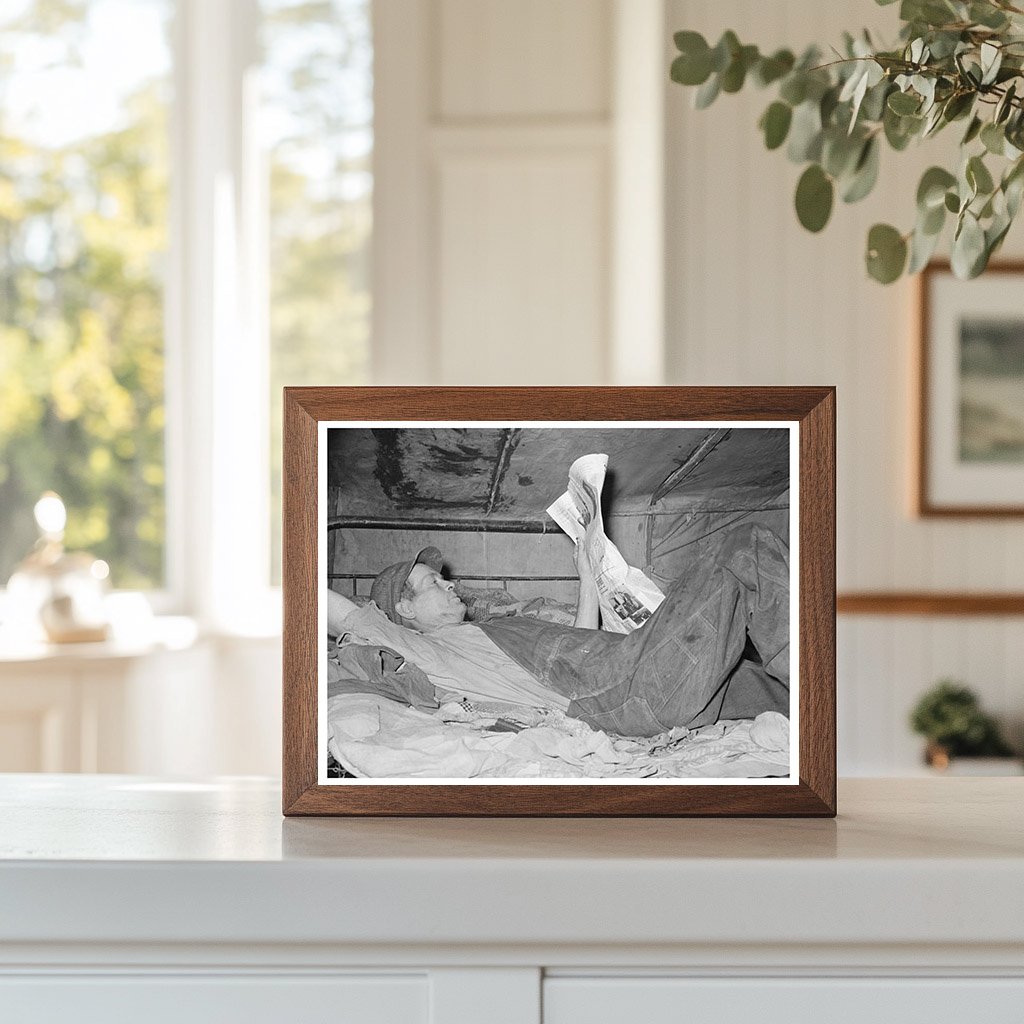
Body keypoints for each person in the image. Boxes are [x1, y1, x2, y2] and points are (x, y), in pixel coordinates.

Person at [326, 524, 790, 738]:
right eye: (431, 582)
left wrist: (586, 575)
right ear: (402, 609)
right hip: (626, 689)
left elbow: (580, 648)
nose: (449, 582)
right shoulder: (426, 650)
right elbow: (337, 611)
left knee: (771, 688)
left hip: (620, 675)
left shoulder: (489, 635)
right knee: (743, 545)